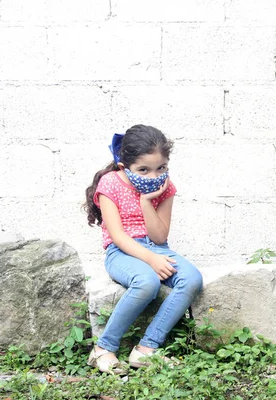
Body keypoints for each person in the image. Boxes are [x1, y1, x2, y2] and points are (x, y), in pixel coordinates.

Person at [84, 124, 203, 374]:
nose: (153, 175)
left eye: (160, 168)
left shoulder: (165, 187)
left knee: (192, 278)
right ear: (124, 166)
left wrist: (146, 201)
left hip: (156, 247)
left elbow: (159, 236)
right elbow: (117, 236)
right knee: (147, 281)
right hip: (121, 251)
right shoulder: (110, 184)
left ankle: (146, 349)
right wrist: (150, 259)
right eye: (143, 170)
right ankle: (103, 348)